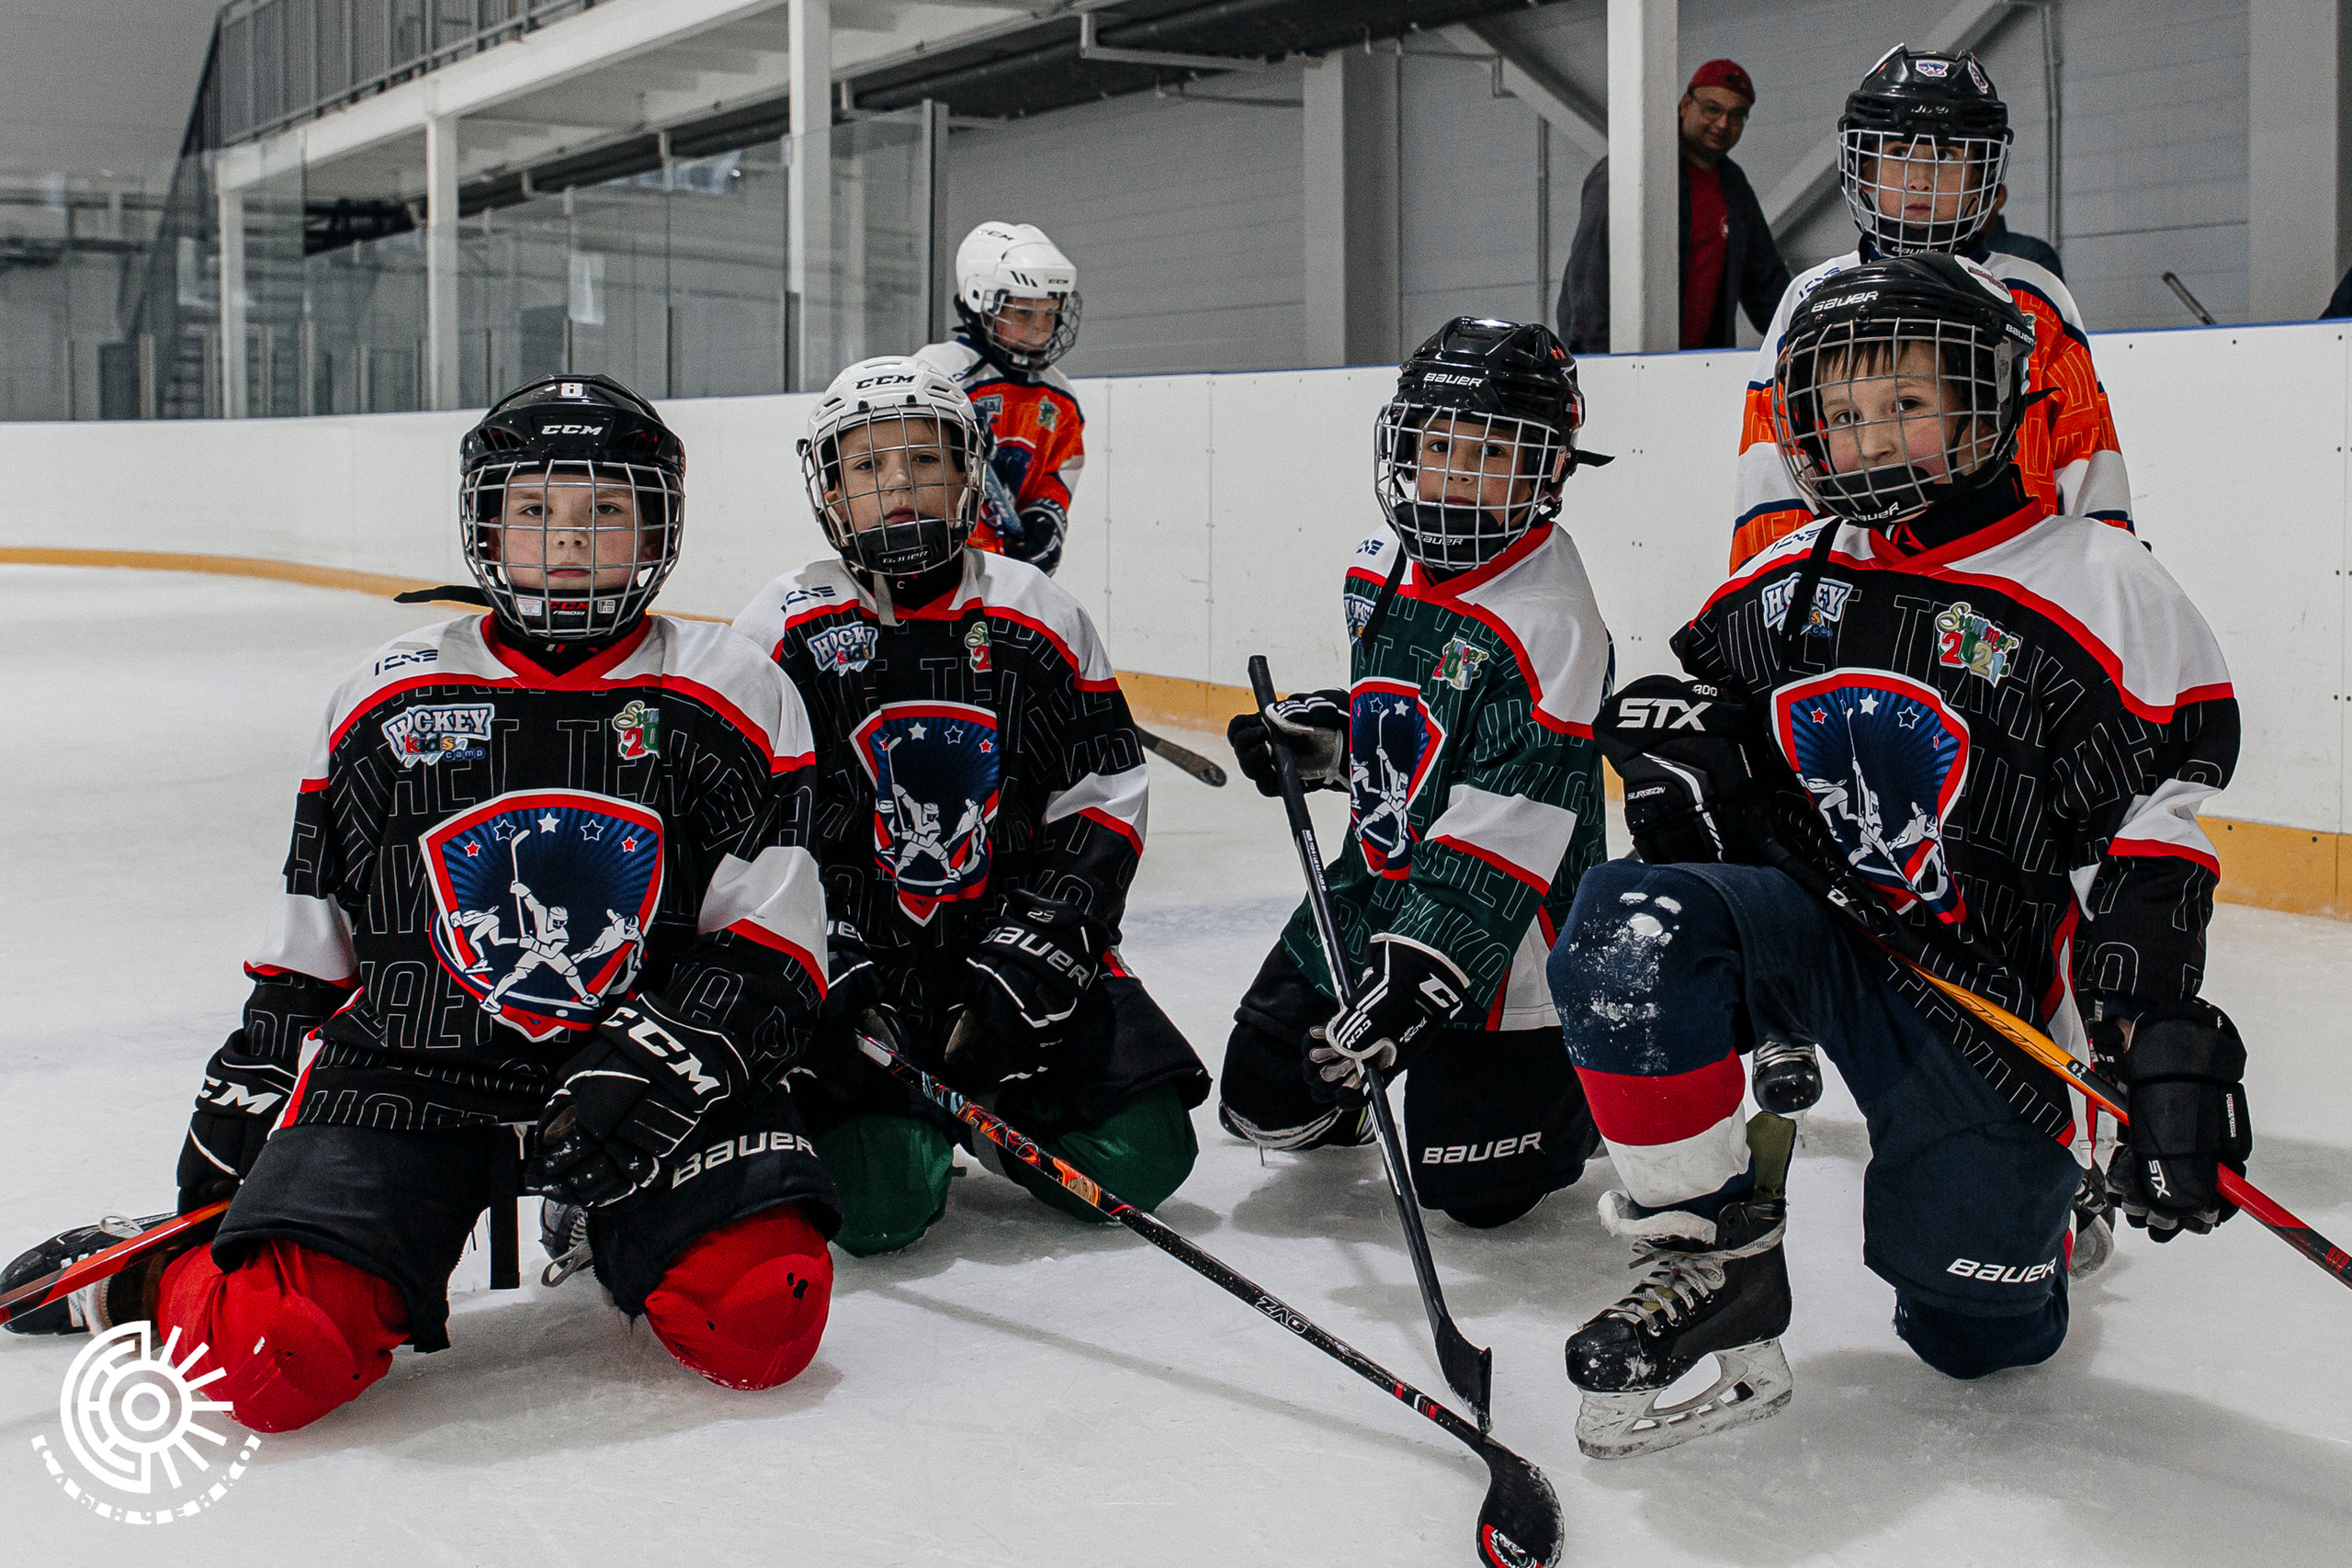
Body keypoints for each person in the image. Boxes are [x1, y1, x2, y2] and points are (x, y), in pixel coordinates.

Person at [1, 375, 842, 1425]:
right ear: (484, 521)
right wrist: (265, 1052)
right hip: (417, 1069)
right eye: (534, 509)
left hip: (644, 1062)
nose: (566, 542)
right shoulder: (387, 693)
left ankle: (611, 1221)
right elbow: (319, 914)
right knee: (274, 1359)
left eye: (605, 511)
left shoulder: (737, 688)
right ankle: (137, 1281)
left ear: (658, 526)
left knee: (765, 1316)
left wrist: (671, 1053)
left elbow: (775, 931)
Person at [1548, 256, 2245, 1458]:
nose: (1873, 434)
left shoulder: (2101, 584)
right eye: (1846, 408)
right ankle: (1708, 1252)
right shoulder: (1784, 583)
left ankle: (2045, 1201)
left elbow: (2144, 839)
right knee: (1629, 924)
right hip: (1825, 942)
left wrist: (2157, 1041)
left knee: (1979, 1335)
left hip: (1981, 998)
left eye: (1908, 402)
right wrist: (1679, 772)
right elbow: (1719, 803)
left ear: (1988, 403)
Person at [734, 356, 1207, 1257]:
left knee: (1145, 1154)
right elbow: (757, 832)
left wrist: (1032, 957)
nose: (899, 486)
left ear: (969, 473)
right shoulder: (778, 630)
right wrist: (826, 969)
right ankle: (906, 1117)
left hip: (1005, 949)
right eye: (868, 467)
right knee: (876, 1207)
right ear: (830, 489)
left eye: (924, 460)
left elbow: (1101, 802)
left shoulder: (1040, 615)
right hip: (870, 972)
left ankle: (987, 1115)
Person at [1219, 318, 1613, 1230]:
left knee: (1475, 1194)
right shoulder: (1377, 565)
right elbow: (1408, 713)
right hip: (1378, 885)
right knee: (1265, 1105)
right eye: (1439, 446)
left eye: (1492, 452)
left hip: (1504, 931)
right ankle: (1395, 1061)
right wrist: (1325, 737)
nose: (1457, 476)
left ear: (1548, 469)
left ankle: (1581, 1082)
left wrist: (1412, 986)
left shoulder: (1550, 621)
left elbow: (1503, 831)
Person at [1729, 45, 2128, 569]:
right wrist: (1774, 585)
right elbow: (1774, 461)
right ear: (1863, 162)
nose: (1920, 178)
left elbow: (2085, 453)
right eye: (1897, 152)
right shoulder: (1813, 297)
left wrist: (2101, 574)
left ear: (1983, 171)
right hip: (1857, 579)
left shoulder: (2036, 295)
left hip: (2018, 574)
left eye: (1946, 155)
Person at [1558, 59, 1792, 356]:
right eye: (1712, 109)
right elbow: (1590, 276)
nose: (1723, 124)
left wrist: (1810, 331)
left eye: (1736, 115)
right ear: (1684, 106)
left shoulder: (1734, 187)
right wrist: (1594, 366)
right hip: (1625, 366)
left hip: (1699, 370)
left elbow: (1767, 287)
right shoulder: (1630, 172)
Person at [915, 220, 1086, 575]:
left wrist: (1046, 520)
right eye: (1023, 313)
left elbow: (1059, 469)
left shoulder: (1058, 394)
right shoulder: (937, 373)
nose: (1039, 328)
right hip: (939, 565)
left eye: (1049, 314)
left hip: (1009, 571)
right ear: (981, 301)